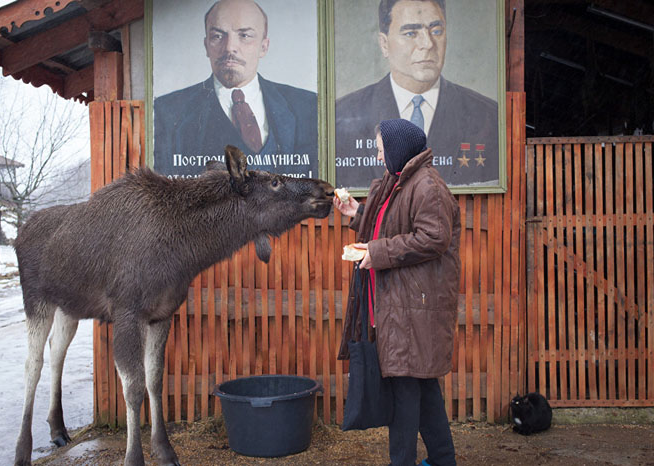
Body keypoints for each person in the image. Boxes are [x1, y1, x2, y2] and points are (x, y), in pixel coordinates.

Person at [335, 118, 460, 466]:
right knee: (423, 389)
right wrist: (357, 212)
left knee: (405, 394)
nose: (378, 155)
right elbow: (389, 227)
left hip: (414, 308)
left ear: (398, 150)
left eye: (380, 148)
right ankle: (443, 460)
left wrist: (375, 253)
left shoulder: (427, 187)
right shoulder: (399, 182)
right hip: (400, 306)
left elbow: (434, 238)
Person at [335, 0, 498, 188]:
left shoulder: (488, 116)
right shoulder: (342, 114)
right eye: (410, 33)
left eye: (436, 31)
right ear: (384, 44)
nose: (427, 44)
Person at [153, 0, 318, 177]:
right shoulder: (166, 111)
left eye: (245, 35)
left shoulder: (307, 105)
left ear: (264, 47)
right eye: (217, 36)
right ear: (206, 45)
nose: (230, 47)